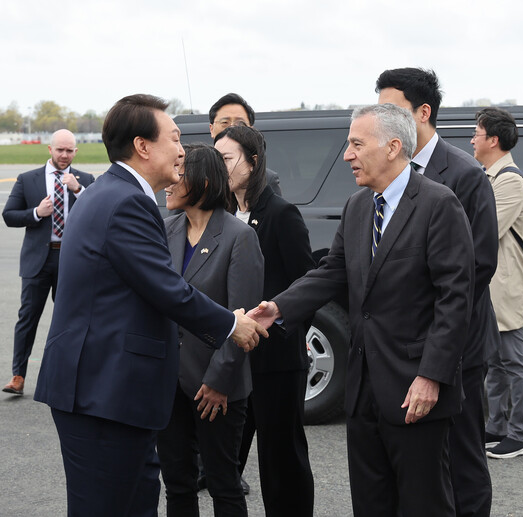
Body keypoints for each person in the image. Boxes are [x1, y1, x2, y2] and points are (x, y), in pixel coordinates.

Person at [33, 94, 268, 517]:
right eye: (175, 139)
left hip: (112, 393)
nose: (184, 151)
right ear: (143, 146)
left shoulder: (108, 193)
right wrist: (233, 325)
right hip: (102, 393)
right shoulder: (127, 202)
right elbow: (167, 289)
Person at [249, 103, 475, 517]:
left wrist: (431, 376)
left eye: (356, 143)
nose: (347, 154)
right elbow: (332, 272)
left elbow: (455, 299)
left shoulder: (438, 204)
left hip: (415, 391)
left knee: (425, 505)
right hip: (363, 389)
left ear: (392, 147)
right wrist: (277, 308)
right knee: (371, 505)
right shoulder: (358, 207)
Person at [376, 67, 497, 516]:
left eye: (393, 109)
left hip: (456, 345)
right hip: (401, 349)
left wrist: (433, 337)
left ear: (423, 112)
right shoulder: (387, 174)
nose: (382, 119)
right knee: (419, 464)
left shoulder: (464, 174)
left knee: (462, 459)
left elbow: (478, 265)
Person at [157, 143, 264, 516]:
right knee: (177, 484)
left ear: (202, 181)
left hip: (216, 386)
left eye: (178, 173)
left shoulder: (238, 237)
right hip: (169, 383)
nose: (168, 182)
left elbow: (243, 320)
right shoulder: (165, 229)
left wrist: (219, 381)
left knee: (223, 485)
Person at [214, 125, 315, 516]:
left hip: (275, 361)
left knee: (281, 459)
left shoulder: (280, 213)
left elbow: (305, 284)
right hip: (232, 357)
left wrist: (281, 328)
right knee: (225, 458)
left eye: (227, 159)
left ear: (252, 162)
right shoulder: (221, 212)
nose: (221, 167)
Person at [2, 129, 94, 395]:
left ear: (76, 152)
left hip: (72, 259)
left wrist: (79, 190)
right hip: (38, 260)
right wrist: (36, 213)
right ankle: (18, 375)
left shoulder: (84, 180)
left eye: (69, 151)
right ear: (50, 149)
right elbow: (9, 215)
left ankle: (69, 375)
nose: (64, 155)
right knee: (27, 317)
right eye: (60, 150)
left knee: (72, 319)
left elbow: (99, 210)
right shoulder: (27, 179)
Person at [472, 107, 523, 459]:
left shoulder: (509, 180)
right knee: (494, 360)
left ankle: (520, 434)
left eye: (476, 134)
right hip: (494, 284)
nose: (471, 140)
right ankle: (496, 426)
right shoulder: (490, 177)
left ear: (493, 140)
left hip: (508, 285)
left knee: (513, 358)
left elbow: (485, 230)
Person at [209, 93, 282, 196]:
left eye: (240, 124)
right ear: (211, 129)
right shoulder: (198, 176)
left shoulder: (266, 179)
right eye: (225, 122)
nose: (232, 128)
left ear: (251, 130)